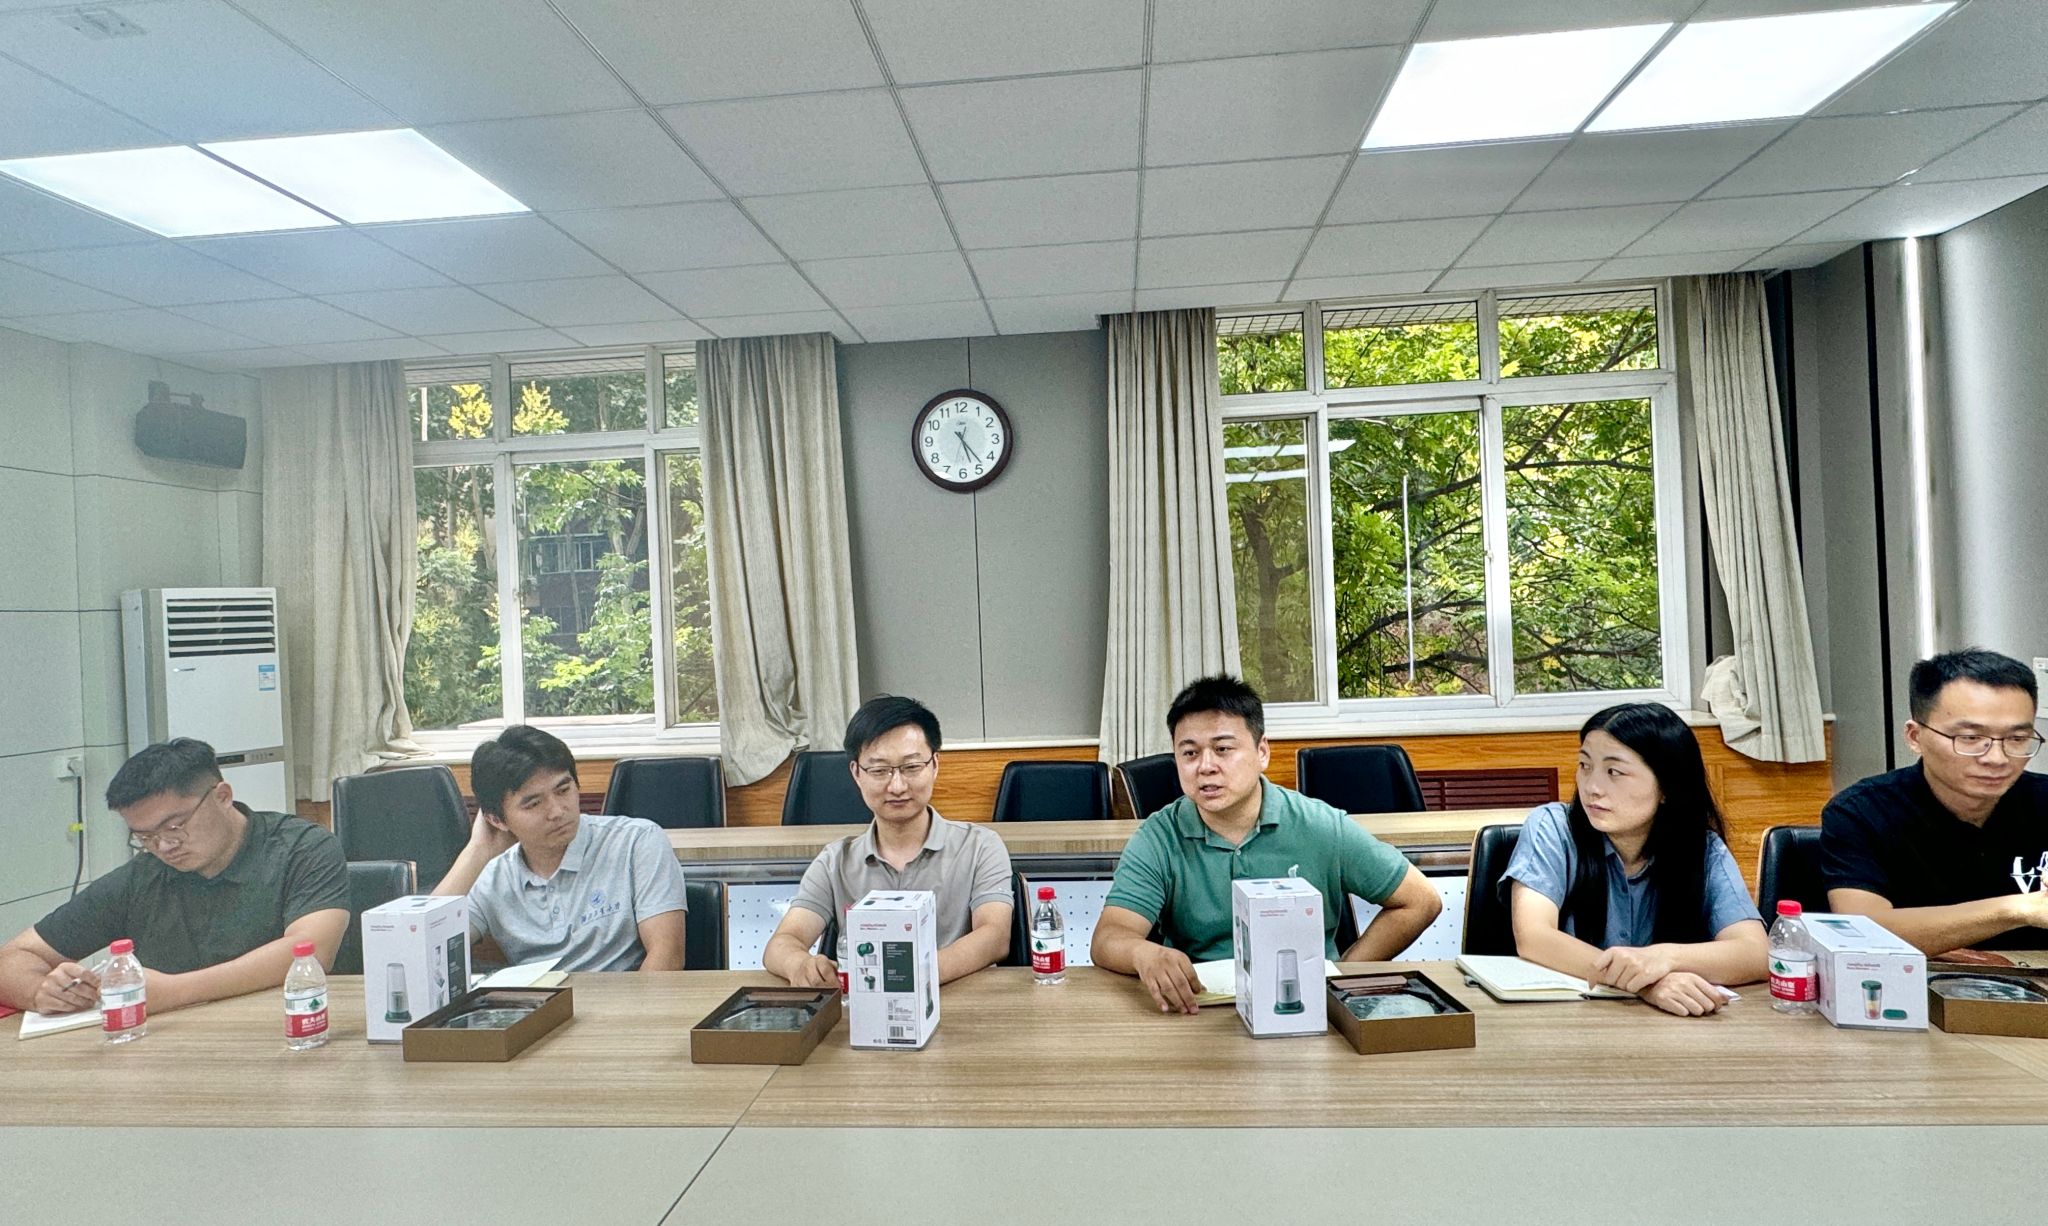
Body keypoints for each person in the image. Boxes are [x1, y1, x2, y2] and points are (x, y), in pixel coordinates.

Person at [1091, 675, 1444, 1014]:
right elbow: (1110, 936)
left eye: (1223, 749)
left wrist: (1341, 977)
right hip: (1198, 1008)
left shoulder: (1319, 825)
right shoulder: (1158, 836)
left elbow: (1420, 900)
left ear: (1262, 752)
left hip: (1306, 1007)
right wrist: (1144, 954)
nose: (1206, 766)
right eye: (1190, 753)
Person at [0, 738, 348, 1015]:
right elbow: (14, 958)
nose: (164, 846)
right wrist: (40, 991)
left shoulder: (302, 849)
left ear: (223, 796)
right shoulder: (141, 877)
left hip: (286, 1028)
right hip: (170, 1050)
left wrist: (175, 991)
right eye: (145, 837)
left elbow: (312, 949)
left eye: (174, 827)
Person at [1502, 704, 1767, 1017]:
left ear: (1667, 787)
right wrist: (1645, 984)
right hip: (1567, 1021)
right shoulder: (1553, 828)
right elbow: (1534, 937)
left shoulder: (1703, 848)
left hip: (1672, 1027)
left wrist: (1662, 959)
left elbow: (1757, 953)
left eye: (1614, 772)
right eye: (1585, 765)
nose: (1591, 787)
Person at [763, 696, 1014, 987]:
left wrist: (911, 975)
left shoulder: (980, 846)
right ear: (856, 773)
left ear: (934, 765)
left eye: (911, 767)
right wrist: (801, 965)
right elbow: (782, 943)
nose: (897, 786)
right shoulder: (835, 861)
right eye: (879, 770)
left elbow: (995, 935)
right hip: (863, 1006)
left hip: (959, 1001)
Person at [1821, 648, 2048, 956]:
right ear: (1915, 737)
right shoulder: (1861, 812)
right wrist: (2018, 909)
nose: (1997, 758)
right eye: (1970, 738)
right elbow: (1864, 932)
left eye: (2017, 739)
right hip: (1917, 980)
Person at [434, 726, 687, 971]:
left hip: (624, 996)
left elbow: (667, 958)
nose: (557, 811)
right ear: (496, 820)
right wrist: (477, 851)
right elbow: (423, 948)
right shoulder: (492, 875)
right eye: (533, 804)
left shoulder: (636, 841)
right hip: (537, 1000)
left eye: (563, 790)